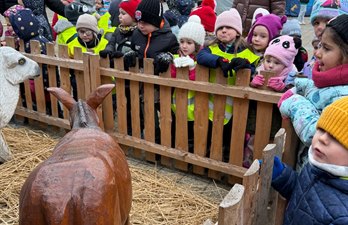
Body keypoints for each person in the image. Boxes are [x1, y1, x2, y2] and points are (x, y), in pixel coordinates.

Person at [277, 14, 348, 169]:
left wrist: (295, 102)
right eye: (319, 45)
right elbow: (322, 94)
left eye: (327, 48)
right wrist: (302, 85)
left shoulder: (344, 99)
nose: (317, 53)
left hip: (321, 178)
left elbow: (316, 133)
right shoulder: (333, 83)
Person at [271, 96, 348, 225]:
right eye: (322, 129)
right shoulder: (318, 169)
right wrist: (283, 176)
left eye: (336, 138)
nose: (322, 138)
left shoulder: (343, 218)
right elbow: (304, 196)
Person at [196, 8, 258, 161]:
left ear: (237, 32)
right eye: (220, 28)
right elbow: (201, 56)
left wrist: (245, 65)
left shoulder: (246, 51)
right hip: (212, 99)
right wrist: (218, 60)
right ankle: (209, 157)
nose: (224, 31)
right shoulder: (211, 48)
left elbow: (253, 70)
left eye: (228, 27)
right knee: (210, 132)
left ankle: (227, 159)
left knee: (231, 135)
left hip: (236, 103)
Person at [170, 15, 206, 150]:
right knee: (176, 131)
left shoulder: (201, 61)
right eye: (182, 41)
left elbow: (199, 80)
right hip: (177, 105)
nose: (184, 46)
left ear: (197, 45)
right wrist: (173, 66)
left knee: (192, 135)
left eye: (189, 43)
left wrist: (192, 68)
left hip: (195, 108)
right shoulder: (177, 57)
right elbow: (171, 79)